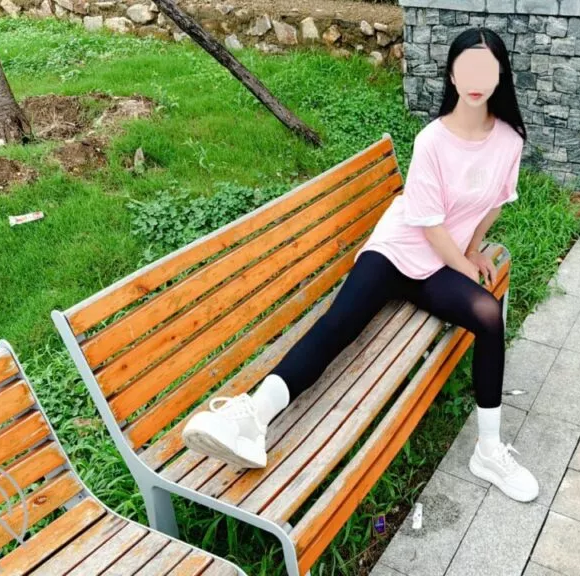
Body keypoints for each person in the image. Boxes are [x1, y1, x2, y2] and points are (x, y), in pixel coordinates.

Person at [182, 27, 539, 503]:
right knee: (339, 324)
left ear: (500, 77)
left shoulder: (509, 140)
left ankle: (489, 451)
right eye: (466, 69)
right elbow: (429, 225)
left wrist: (473, 250)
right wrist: (464, 264)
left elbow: (493, 204)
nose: (476, 81)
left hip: (438, 265)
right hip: (397, 249)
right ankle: (250, 418)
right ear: (452, 76)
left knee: (488, 316)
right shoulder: (433, 141)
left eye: (486, 70)